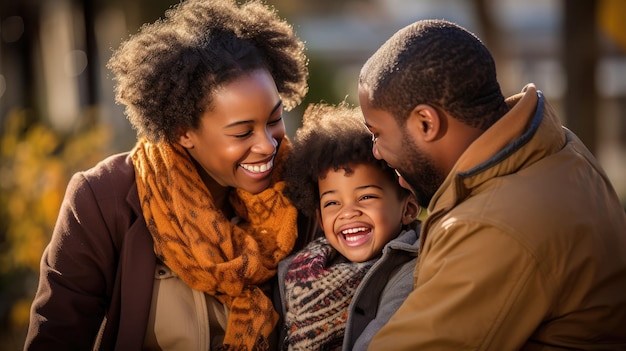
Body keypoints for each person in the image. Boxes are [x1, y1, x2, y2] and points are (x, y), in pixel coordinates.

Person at [24, 0, 315, 350]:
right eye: (242, 133)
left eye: (273, 120)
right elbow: (56, 336)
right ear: (182, 132)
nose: (268, 146)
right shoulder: (101, 200)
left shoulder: (303, 189)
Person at [357, 19, 626, 350]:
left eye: (377, 133)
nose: (376, 151)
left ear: (426, 123)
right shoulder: (555, 148)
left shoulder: (491, 225)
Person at [275, 102, 422, 351]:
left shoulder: (414, 272)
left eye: (366, 197)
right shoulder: (297, 273)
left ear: (407, 209)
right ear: (321, 219)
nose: (348, 212)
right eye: (332, 202)